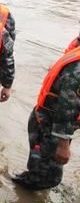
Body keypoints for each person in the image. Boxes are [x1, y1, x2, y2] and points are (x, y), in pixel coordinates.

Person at [12, 45, 80, 190]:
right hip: (48, 124)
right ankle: (22, 190)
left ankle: (27, 183)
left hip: (53, 122)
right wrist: (63, 144)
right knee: (50, 177)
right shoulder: (78, 69)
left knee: (44, 170)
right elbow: (66, 106)